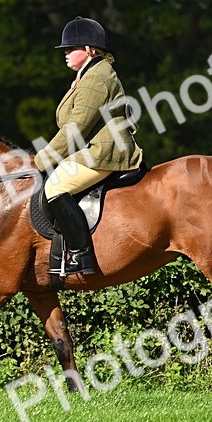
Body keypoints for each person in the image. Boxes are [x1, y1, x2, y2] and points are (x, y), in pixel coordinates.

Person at [33, 16, 144, 276]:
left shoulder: (96, 78)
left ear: (90, 50)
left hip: (105, 152)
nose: (66, 53)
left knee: (55, 186)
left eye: (71, 48)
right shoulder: (89, 75)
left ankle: (82, 255)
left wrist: (41, 159)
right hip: (92, 149)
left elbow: (75, 128)